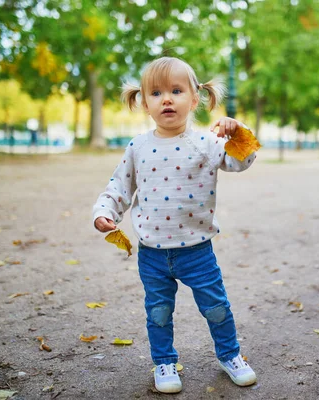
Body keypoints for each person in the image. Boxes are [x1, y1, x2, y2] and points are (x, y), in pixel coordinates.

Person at [92, 57, 257, 394]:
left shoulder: (207, 143)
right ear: (144, 102)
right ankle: (164, 362)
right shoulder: (138, 147)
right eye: (156, 92)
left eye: (176, 91)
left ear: (195, 99)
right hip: (152, 254)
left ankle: (230, 355)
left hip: (197, 251)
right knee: (159, 312)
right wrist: (104, 211)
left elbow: (242, 161)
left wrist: (237, 132)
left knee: (216, 308)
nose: (166, 99)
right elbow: (119, 187)